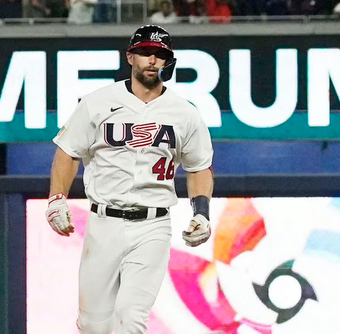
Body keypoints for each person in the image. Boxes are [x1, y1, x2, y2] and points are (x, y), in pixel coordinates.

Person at [46, 24, 214, 334]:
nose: (152, 59)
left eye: (159, 54)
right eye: (145, 53)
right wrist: (57, 198)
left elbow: (199, 167)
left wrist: (202, 214)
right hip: (103, 223)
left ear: (168, 61)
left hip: (153, 224)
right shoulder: (96, 102)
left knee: (130, 319)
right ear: (130, 57)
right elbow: (67, 152)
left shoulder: (184, 113)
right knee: (94, 325)